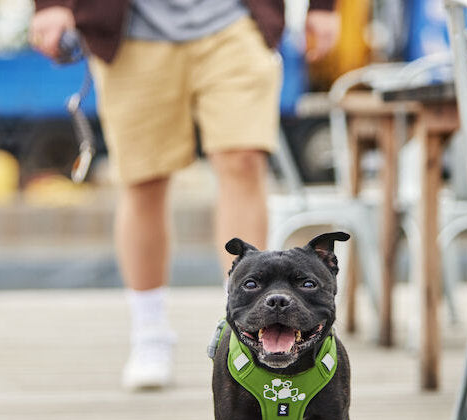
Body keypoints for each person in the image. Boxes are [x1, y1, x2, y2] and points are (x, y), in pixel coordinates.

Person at [29, 1, 339, 390]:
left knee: (244, 161)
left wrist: (324, 6)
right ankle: (150, 333)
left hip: (236, 21)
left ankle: (243, 329)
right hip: (132, 30)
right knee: (143, 179)